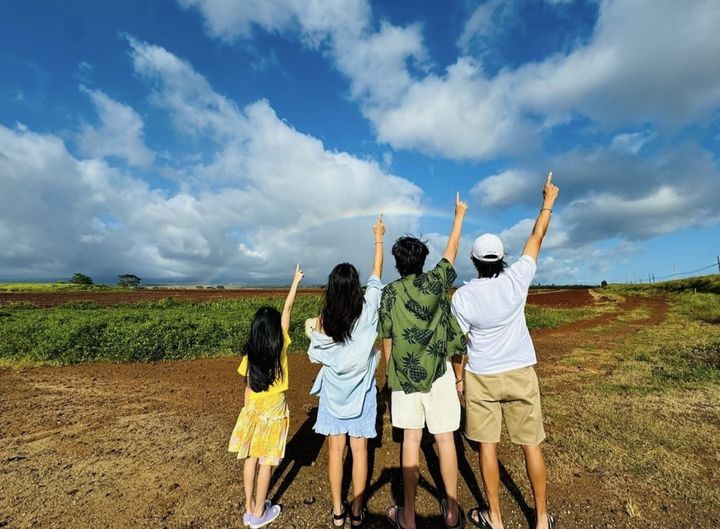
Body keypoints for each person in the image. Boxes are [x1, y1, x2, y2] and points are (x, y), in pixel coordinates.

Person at [451, 172, 560, 529]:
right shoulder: (517, 279)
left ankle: (495, 519)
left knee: (487, 446)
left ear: (474, 261)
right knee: (531, 446)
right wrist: (547, 201)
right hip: (520, 373)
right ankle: (541, 520)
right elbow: (536, 236)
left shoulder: (464, 296)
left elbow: (458, 345)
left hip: (482, 376)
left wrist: (457, 378)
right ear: (502, 258)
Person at [381, 193, 469, 529]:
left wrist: (389, 376)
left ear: (397, 263)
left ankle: (408, 515)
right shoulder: (436, 282)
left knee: (411, 441)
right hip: (440, 373)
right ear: (422, 260)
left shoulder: (390, 293)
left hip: (403, 377)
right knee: (446, 439)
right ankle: (451, 512)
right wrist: (458, 215)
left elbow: (386, 337)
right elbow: (452, 251)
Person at [306, 214, 386, 528]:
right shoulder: (367, 310)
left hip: (332, 394)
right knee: (360, 450)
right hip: (362, 394)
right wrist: (379, 237)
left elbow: (316, 352)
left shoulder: (324, 320)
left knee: (335, 450)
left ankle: (338, 511)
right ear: (356, 286)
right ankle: (356, 513)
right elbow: (378, 273)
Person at [228, 265, 304, 529]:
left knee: (250, 459)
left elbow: (246, 384)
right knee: (266, 463)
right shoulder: (281, 344)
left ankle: (249, 506)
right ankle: (260, 513)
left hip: (252, 409)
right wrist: (295, 282)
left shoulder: (250, 354)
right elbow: (287, 311)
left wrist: (248, 408)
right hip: (273, 411)